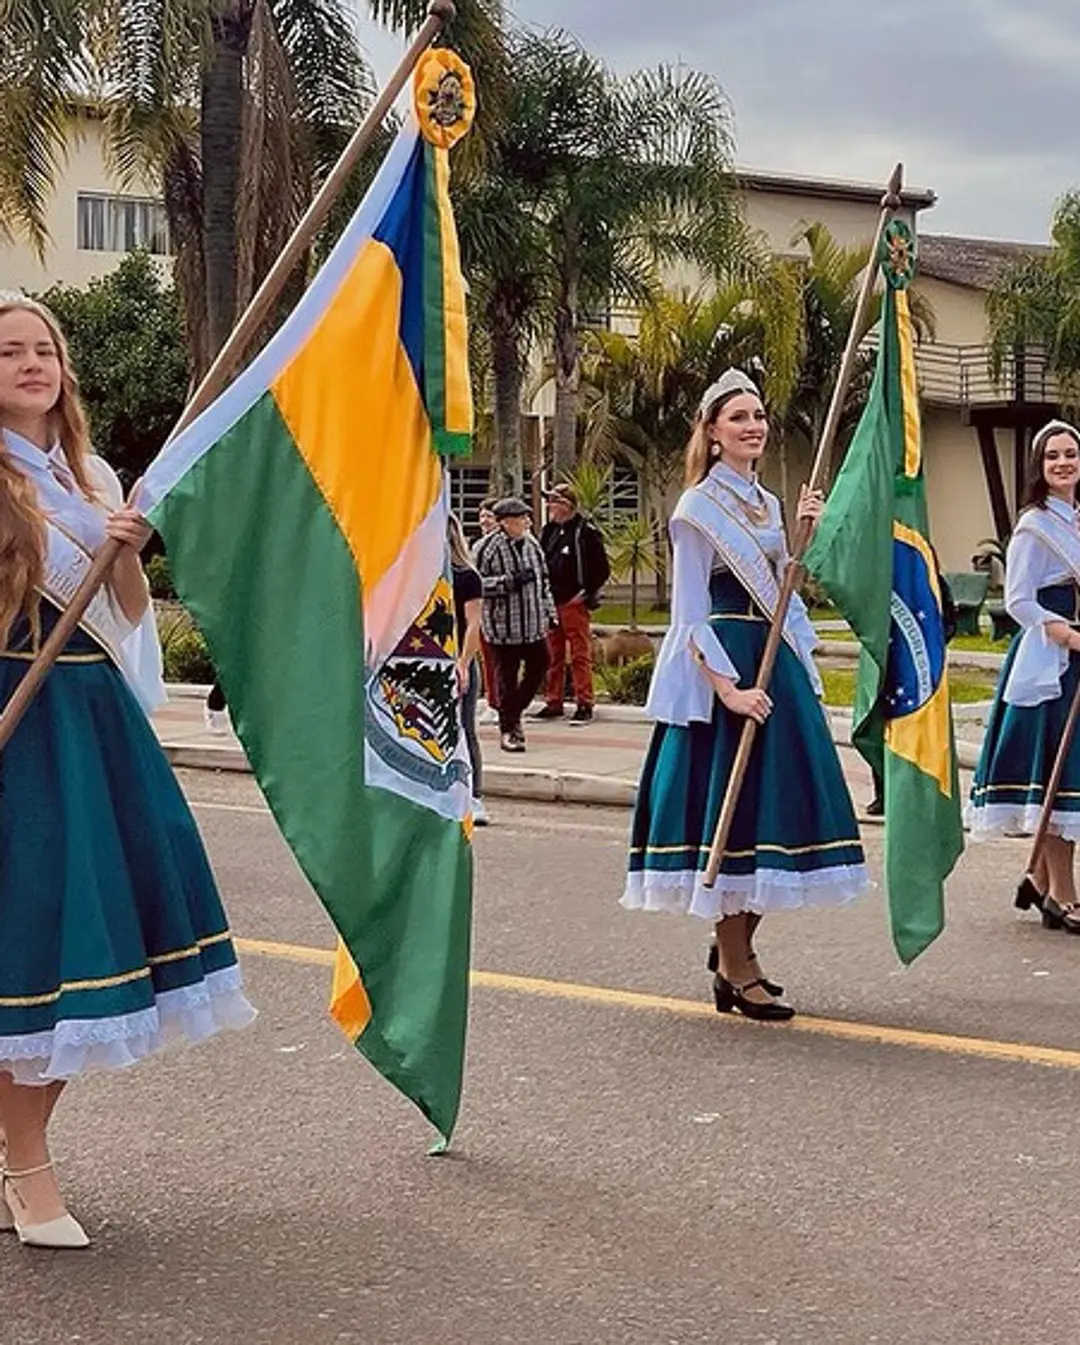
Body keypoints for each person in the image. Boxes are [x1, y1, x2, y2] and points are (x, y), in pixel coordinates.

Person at [0, 295, 255, 1248]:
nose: (33, 364)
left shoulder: (90, 472)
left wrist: (127, 551)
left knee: (86, 956)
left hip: (91, 720)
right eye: (11, 352)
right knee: (30, 949)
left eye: (45, 350)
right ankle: (29, 1171)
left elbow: (129, 610)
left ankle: (20, 1153)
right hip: (19, 719)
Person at [621, 368, 870, 1020]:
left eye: (758, 414)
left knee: (777, 823)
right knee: (733, 828)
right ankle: (737, 965)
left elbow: (786, 589)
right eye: (738, 417)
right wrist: (728, 691)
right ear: (711, 430)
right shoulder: (697, 507)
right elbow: (689, 615)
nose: (753, 425)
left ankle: (734, 950)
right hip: (731, 676)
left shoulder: (769, 502)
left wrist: (807, 535)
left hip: (776, 663)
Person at [969, 420, 1080, 931]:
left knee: (1073, 778)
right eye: (1052, 456)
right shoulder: (1034, 526)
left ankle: (1037, 879)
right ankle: (1062, 893)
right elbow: (1017, 599)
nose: (1063, 463)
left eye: (1071, 454)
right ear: (1039, 466)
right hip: (1051, 660)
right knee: (1058, 779)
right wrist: (1067, 635)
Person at [866, 561, 957, 816]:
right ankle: (884, 792)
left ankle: (923, 792)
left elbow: (946, 619)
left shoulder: (926, 576)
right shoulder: (880, 574)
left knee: (921, 728)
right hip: (888, 662)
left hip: (923, 667)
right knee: (885, 726)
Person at [474, 497, 555, 753]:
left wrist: (550, 613)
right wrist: (508, 582)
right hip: (503, 627)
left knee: (542, 663)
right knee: (506, 677)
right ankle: (509, 729)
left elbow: (543, 581)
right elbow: (475, 585)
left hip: (532, 624)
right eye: (522, 518)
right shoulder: (486, 548)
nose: (527, 522)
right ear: (506, 522)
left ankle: (512, 709)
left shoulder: (532, 544)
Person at [536, 483, 611, 725]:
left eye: (554, 502)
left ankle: (584, 702)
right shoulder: (548, 531)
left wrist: (586, 593)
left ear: (567, 505)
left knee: (580, 654)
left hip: (573, 602)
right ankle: (553, 700)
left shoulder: (585, 533)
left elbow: (601, 568)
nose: (549, 507)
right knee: (552, 654)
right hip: (551, 601)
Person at [449, 512, 487, 825]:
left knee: (465, 726)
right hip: (430, 660)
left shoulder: (466, 576)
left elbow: (473, 623)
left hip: (458, 661)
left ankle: (474, 795)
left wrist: (463, 662)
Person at [474, 496, 501, 724]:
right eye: (482, 515)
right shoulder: (478, 544)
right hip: (480, 610)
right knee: (485, 658)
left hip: (498, 612)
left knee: (497, 659)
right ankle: (490, 698)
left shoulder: (500, 546)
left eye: (489, 516)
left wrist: (481, 585)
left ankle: (498, 702)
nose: (484, 520)